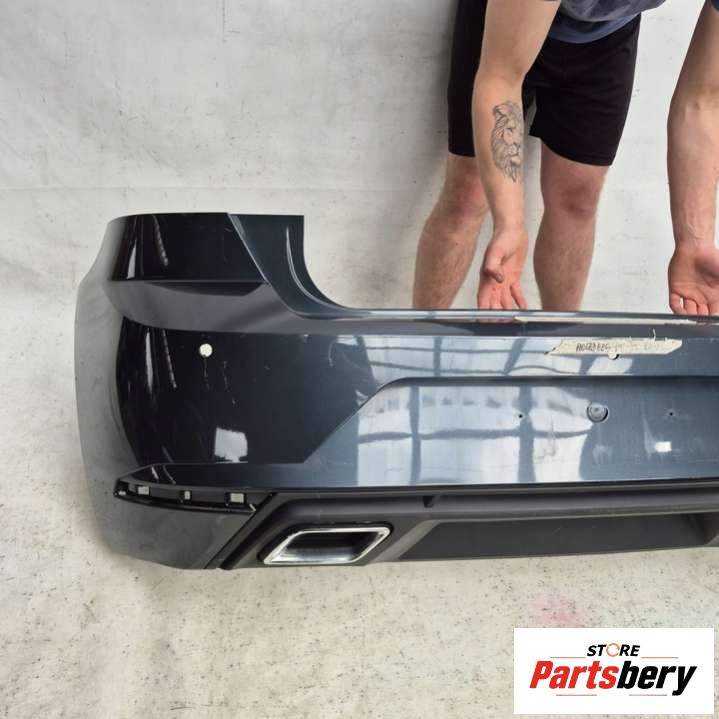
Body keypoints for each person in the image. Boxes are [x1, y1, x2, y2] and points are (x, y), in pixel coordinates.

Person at [413, 0, 719, 316]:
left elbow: (703, 103)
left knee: (578, 199)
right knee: (470, 194)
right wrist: (510, 223)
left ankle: (562, 338)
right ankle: (419, 336)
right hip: (506, 21)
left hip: (606, 33)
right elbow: (500, 80)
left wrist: (694, 241)